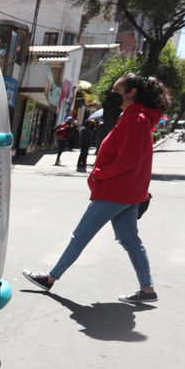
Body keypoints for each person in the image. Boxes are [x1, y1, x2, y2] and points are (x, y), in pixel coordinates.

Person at [23, 73, 169, 305]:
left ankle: (50, 278)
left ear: (132, 93)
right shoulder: (137, 117)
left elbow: (128, 160)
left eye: (117, 88)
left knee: (80, 236)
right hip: (127, 192)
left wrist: (99, 174)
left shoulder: (135, 118)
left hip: (115, 191)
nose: (113, 92)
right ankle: (148, 289)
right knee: (130, 240)